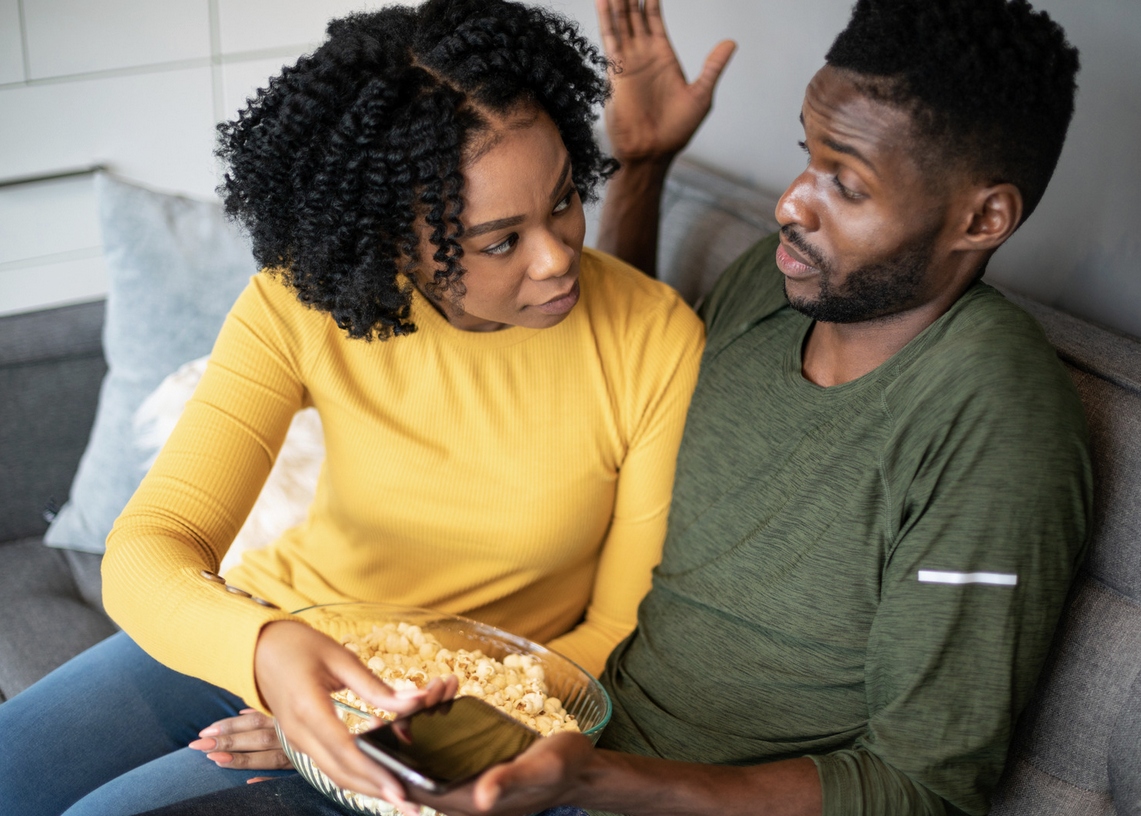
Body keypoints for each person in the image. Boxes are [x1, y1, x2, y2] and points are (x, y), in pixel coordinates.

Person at [132, 0, 1092, 814]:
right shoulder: (777, 284)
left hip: (542, 736)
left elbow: (927, 781)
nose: (789, 205)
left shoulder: (997, 418)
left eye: (844, 183)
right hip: (385, 663)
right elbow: (596, 347)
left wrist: (540, 754)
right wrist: (644, 169)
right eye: (809, 158)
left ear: (984, 218)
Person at [0, 2, 706, 815]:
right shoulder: (301, 309)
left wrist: (373, 716)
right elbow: (149, 547)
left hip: (457, 705)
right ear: (397, 240)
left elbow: (615, 631)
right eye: (499, 241)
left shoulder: (655, 341)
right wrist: (264, 653)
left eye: (564, 199)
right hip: (269, 629)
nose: (557, 258)